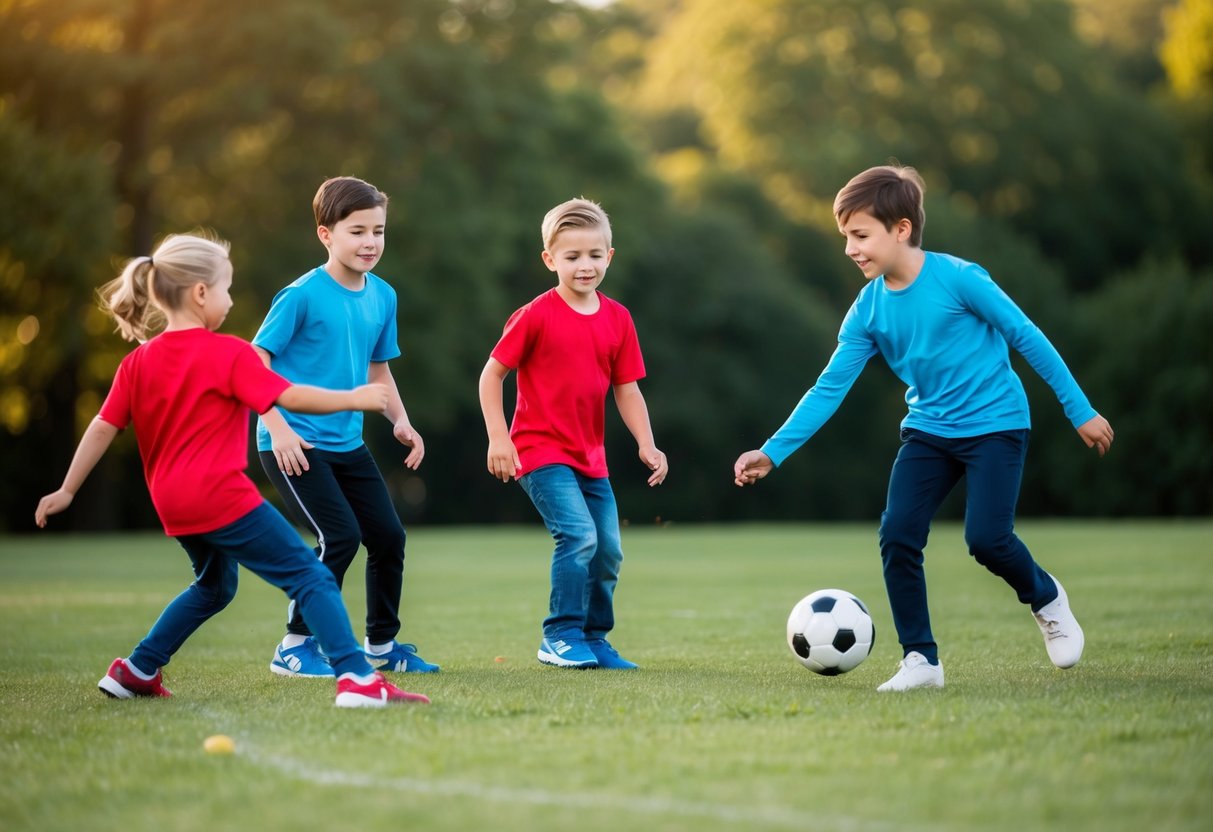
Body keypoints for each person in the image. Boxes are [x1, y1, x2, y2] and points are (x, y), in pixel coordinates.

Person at [733, 165, 1115, 692]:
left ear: (902, 229)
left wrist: (1080, 410)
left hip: (996, 425)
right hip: (930, 432)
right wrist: (773, 452)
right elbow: (828, 388)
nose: (850, 248)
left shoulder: (960, 278)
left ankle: (1046, 598)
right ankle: (921, 661)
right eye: (846, 236)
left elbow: (1025, 336)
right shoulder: (866, 310)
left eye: (860, 235)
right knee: (898, 534)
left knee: (986, 538)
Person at [34, 232, 429, 709]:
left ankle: (136, 670)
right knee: (313, 577)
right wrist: (354, 398)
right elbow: (289, 395)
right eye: (226, 288)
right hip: (219, 497)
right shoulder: (229, 353)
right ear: (201, 293)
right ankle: (358, 680)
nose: (230, 299)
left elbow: (101, 427)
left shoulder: (137, 362)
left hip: (172, 501)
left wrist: (67, 490)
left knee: (215, 586)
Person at [253, 176, 438, 678]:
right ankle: (294, 645)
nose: (370, 242)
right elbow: (254, 362)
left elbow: (379, 368)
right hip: (292, 441)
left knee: (387, 537)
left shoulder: (383, 296)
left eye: (378, 231)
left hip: (346, 442)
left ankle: (381, 645)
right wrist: (278, 425)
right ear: (325, 234)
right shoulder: (300, 296)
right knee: (339, 537)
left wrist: (400, 420)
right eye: (357, 231)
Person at [479, 197, 668, 670]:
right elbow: (490, 376)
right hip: (538, 451)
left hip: (591, 457)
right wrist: (499, 438)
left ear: (610, 255)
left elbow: (627, 391)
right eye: (572, 256)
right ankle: (559, 635)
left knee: (608, 550)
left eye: (594, 255)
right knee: (579, 536)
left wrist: (647, 443)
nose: (585, 266)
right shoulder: (535, 315)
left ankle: (593, 638)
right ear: (549, 260)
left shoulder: (618, 319)